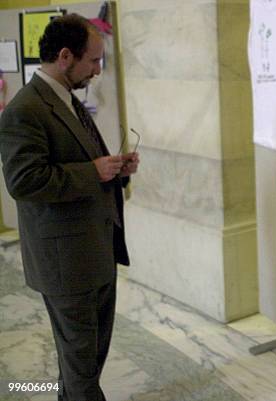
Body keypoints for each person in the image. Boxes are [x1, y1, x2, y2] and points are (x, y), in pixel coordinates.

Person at [0, 14, 139, 400]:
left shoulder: (68, 100)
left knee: (87, 359)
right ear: (65, 56)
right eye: (93, 60)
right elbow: (24, 182)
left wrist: (115, 170)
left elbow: (85, 165)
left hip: (94, 251)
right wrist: (93, 172)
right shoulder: (24, 110)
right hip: (66, 262)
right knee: (81, 364)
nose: (98, 70)